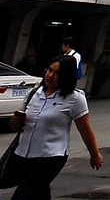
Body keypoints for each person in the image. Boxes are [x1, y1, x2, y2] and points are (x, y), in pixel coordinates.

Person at [7, 55, 102, 199]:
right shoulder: (34, 93)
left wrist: (94, 154)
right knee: (39, 192)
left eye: (57, 73)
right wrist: (16, 120)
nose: (50, 75)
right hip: (23, 154)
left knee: (25, 194)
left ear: (67, 76)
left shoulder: (75, 98)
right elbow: (15, 126)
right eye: (50, 70)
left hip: (51, 156)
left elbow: (84, 129)